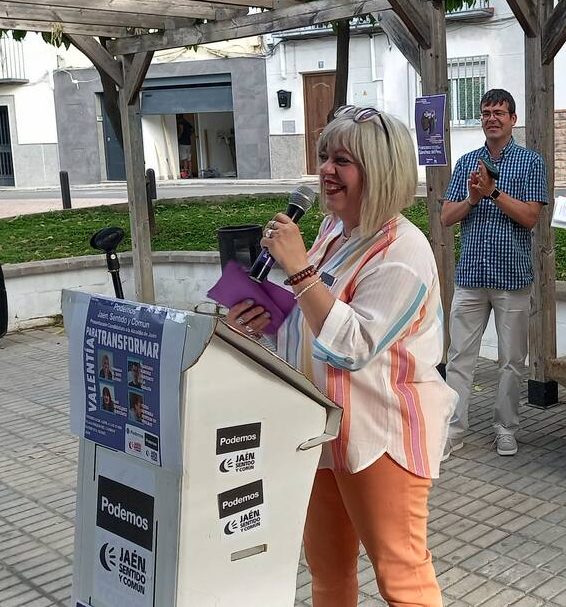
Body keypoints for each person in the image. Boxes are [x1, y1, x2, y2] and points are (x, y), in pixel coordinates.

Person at [225, 105, 455, 607]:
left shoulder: (405, 254)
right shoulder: (333, 231)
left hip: (380, 437)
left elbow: (352, 346)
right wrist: (271, 315)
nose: (326, 169)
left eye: (343, 160)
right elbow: (314, 313)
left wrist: (298, 269)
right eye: (325, 156)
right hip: (319, 430)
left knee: (402, 578)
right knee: (328, 573)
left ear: (378, 171)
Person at [441, 89, 547, 457]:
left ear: (513, 119)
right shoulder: (466, 162)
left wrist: (492, 192)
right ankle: (452, 431)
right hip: (470, 277)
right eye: (486, 112)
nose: (491, 118)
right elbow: (445, 218)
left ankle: (506, 428)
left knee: (511, 362)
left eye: (499, 112)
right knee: (459, 359)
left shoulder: (531, 163)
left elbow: (531, 217)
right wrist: (471, 197)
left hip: (512, 278)